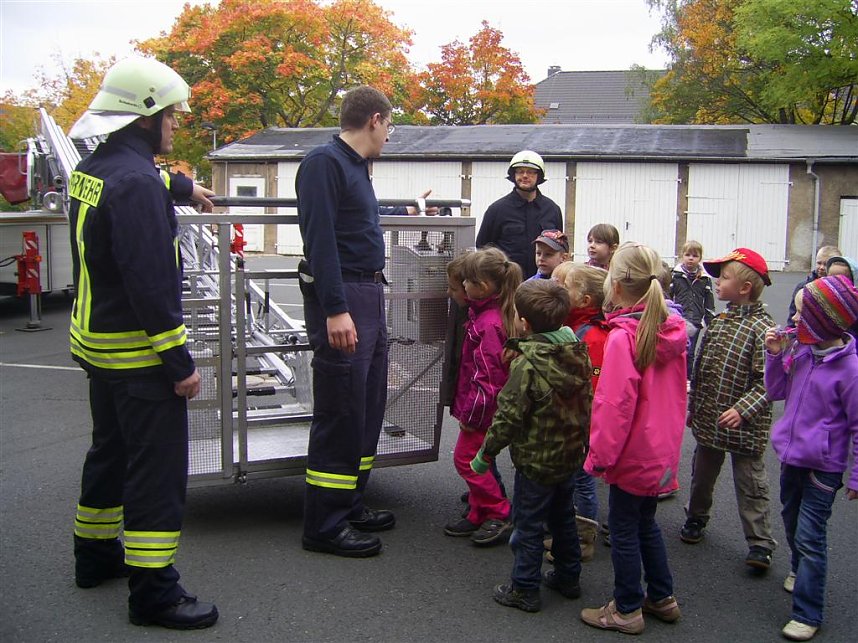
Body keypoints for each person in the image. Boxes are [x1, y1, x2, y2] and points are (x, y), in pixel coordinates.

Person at [66, 56, 218, 630]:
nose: (177, 124)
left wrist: (185, 185)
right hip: (137, 355)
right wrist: (180, 364)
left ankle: (95, 556)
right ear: (144, 115)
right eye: (172, 115)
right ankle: (154, 591)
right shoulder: (134, 186)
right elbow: (152, 285)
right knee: (155, 470)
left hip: (95, 346)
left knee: (109, 451)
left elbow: (142, 178)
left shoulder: (97, 168)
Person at [296, 85, 397, 558]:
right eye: (389, 125)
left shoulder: (357, 167)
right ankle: (325, 523)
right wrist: (335, 308)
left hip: (369, 290)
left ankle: (350, 501)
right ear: (374, 120)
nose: (389, 135)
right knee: (340, 408)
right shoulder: (324, 164)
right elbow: (320, 243)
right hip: (344, 297)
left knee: (366, 404)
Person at [579, 243, 686, 635]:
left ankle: (626, 608)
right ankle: (661, 596)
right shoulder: (673, 331)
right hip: (660, 451)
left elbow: (613, 405)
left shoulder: (624, 337)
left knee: (623, 528)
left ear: (618, 285)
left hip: (630, 453)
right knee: (645, 524)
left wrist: (599, 457)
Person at [470, 279, 593, 613]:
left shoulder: (526, 366)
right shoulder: (578, 351)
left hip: (535, 462)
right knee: (563, 518)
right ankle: (568, 577)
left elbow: (508, 417)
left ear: (524, 322)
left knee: (529, 525)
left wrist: (485, 454)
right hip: (569, 456)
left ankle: (524, 588)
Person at [764, 275, 858, 642]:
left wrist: (855, 477)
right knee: (790, 519)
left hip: (824, 467)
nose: (793, 320)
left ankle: (807, 612)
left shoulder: (850, 370)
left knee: (810, 535)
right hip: (792, 457)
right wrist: (774, 355)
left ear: (822, 322)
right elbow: (776, 390)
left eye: (802, 314)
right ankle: (798, 568)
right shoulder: (801, 351)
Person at [682, 247, 778, 571]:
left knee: (751, 484)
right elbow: (701, 369)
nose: (717, 282)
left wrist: (743, 410)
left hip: (745, 427)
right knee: (702, 476)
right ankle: (696, 518)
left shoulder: (763, 329)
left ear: (745, 288)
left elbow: (768, 382)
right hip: (711, 420)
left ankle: (760, 543)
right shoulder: (718, 323)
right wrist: (693, 406)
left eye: (724, 277)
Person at [445, 247, 522, 546]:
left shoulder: (488, 324)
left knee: (466, 460)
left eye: (467, 282)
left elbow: (488, 378)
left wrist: (472, 416)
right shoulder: (487, 315)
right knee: (476, 460)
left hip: (483, 412)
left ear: (484, 286)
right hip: (485, 410)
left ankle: (498, 511)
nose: (462, 286)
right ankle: (479, 510)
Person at [560, 263, 611, 559]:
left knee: (583, 479)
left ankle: (584, 537)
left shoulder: (592, 337)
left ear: (585, 301)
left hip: (581, 423)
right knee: (571, 478)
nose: (562, 292)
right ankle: (568, 532)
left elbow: (589, 387)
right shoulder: (573, 326)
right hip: (571, 420)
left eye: (568, 287)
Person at [476, 150, 562, 277]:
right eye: (520, 171)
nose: (525, 175)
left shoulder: (552, 209)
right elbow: (483, 248)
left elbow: (559, 247)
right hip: (506, 284)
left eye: (531, 172)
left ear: (539, 176)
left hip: (543, 284)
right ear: (513, 175)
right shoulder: (496, 210)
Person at [670, 240, 715, 377]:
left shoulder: (705, 279)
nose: (690, 258)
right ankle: (674, 376)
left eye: (695, 256)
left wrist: (710, 321)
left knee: (690, 352)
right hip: (678, 319)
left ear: (700, 258)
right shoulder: (675, 276)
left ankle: (687, 378)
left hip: (694, 320)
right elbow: (668, 296)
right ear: (682, 256)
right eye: (687, 254)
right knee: (676, 350)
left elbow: (709, 301)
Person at [786, 245, 840, 326]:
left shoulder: (841, 290)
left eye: (826, 264)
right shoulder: (802, 287)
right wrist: (792, 337)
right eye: (819, 263)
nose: (821, 267)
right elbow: (792, 320)